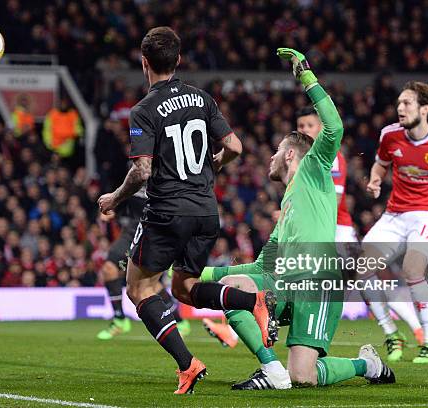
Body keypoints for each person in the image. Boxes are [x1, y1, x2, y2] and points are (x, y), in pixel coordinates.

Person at [200, 47, 395, 390]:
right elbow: (261, 269)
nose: (271, 158)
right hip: (288, 285)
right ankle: (271, 369)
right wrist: (197, 272)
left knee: (303, 377)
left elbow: (332, 127)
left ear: (290, 153)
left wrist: (306, 76)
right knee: (231, 288)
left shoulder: (314, 167)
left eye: (276, 151)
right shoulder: (287, 207)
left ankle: (368, 364)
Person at [97, 27, 277, 394]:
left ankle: (188, 364)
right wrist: (215, 165)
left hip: (167, 211)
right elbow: (236, 146)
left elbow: (143, 170)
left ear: (144, 62)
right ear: (178, 60)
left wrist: (114, 199)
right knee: (184, 287)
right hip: (206, 211)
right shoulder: (201, 97)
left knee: (139, 288)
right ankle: (252, 300)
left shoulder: (144, 110)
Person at [362, 81, 428, 363]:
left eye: (407, 103)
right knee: (359, 267)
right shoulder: (389, 135)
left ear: (424, 109)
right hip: (394, 214)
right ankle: (391, 333)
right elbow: (380, 164)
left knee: (412, 269)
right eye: (399, 103)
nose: (400, 108)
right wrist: (375, 179)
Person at [296, 107, 424, 347]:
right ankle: (397, 332)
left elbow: (332, 202)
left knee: (367, 281)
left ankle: (414, 329)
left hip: (337, 232)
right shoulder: (301, 157)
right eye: (300, 126)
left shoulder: (330, 156)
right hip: (316, 231)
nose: (304, 130)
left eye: (309, 125)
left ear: (321, 128)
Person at [96, 189, 190, 340]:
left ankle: (179, 320)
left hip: (156, 231)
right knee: (110, 269)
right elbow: (127, 191)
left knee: (147, 283)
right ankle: (120, 319)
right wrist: (113, 206)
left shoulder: (168, 172)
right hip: (133, 230)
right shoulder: (136, 169)